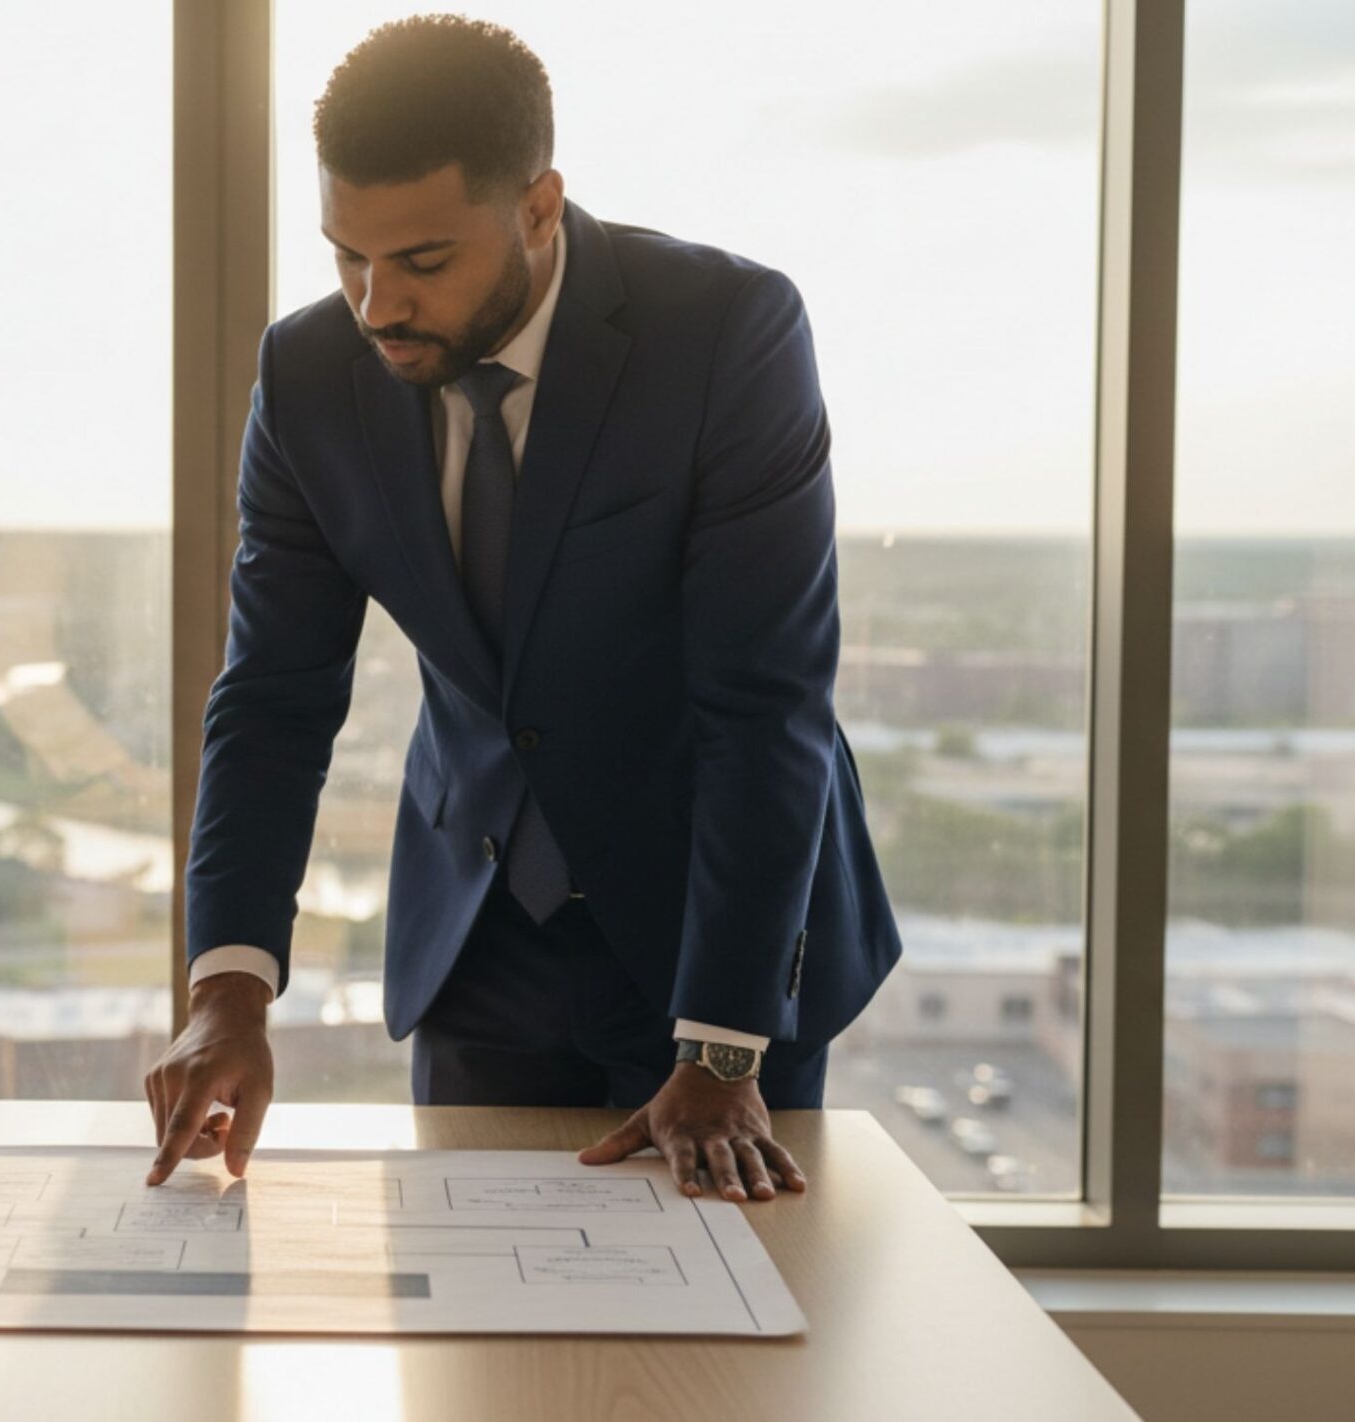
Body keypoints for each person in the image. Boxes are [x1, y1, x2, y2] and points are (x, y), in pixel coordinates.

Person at [146, 18, 900, 1201]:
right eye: (349, 256)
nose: (376, 304)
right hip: (476, 932)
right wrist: (226, 990)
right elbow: (273, 698)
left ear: (539, 206)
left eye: (424, 261)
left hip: (713, 938)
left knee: (721, 1335)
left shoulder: (724, 334)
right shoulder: (307, 376)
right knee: (473, 1333)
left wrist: (719, 1043)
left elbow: (763, 704)